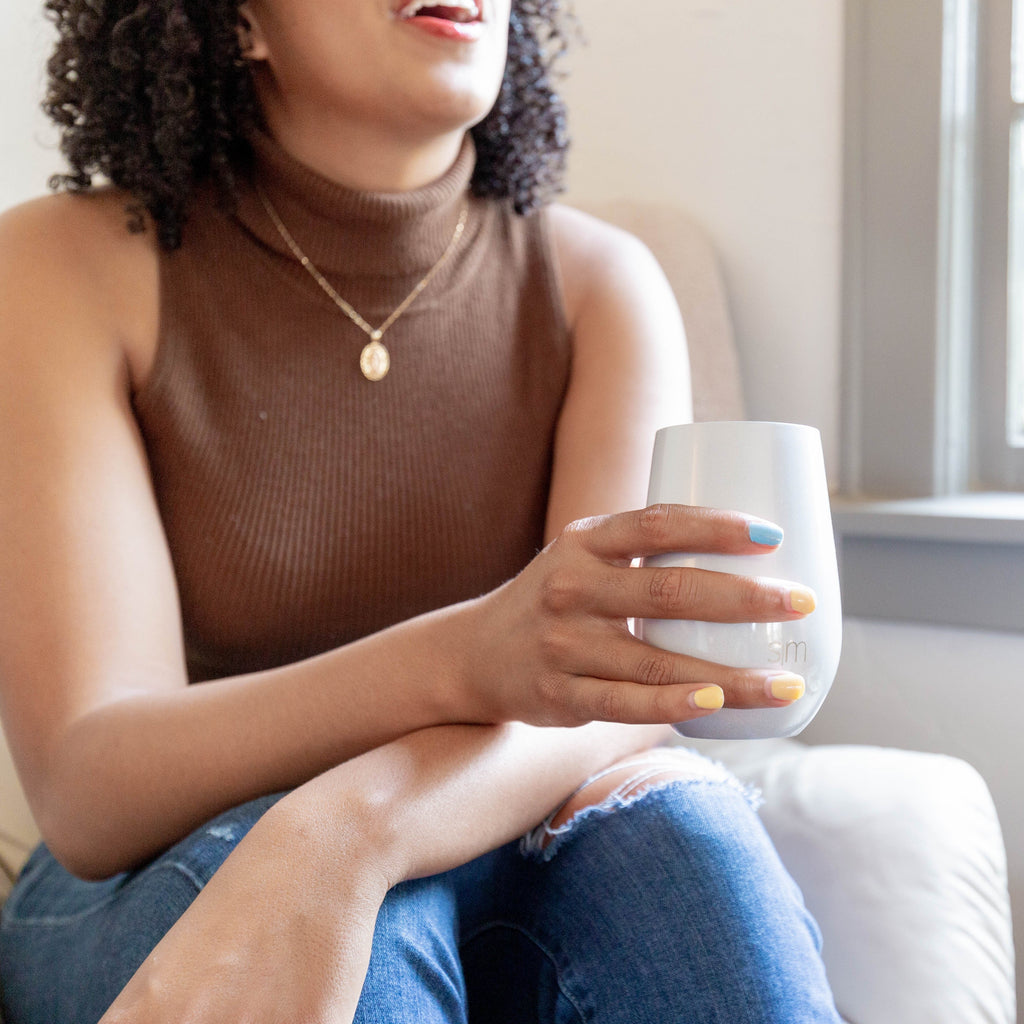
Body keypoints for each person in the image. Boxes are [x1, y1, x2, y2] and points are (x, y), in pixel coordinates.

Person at [0, 0, 842, 1021]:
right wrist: (458, 660)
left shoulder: (601, 284)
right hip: (157, 861)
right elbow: (90, 787)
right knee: (366, 941)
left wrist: (351, 830)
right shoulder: (62, 266)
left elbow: (614, 701)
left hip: (482, 820)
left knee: (687, 844)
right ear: (237, 21)